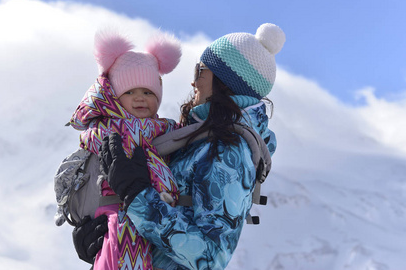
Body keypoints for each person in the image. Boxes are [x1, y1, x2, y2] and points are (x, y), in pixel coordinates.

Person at [73, 23, 286, 270]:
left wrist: (137, 194)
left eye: (200, 71)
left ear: (224, 81)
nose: (193, 82)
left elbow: (211, 256)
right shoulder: (194, 137)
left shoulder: (231, 150)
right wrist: (99, 237)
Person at [68, 29, 182, 270]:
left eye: (147, 92)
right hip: (113, 212)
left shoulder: (164, 130)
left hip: (144, 213)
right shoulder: (110, 128)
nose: (140, 98)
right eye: (129, 92)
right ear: (116, 98)